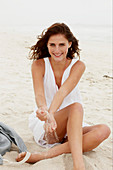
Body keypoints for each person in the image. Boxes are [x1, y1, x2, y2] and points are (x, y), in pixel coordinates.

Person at [16, 23, 111, 170]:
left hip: (72, 122)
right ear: (46, 45)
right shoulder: (39, 65)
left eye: (61, 44)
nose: (57, 50)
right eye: (52, 45)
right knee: (76, 107)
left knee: (104, 130)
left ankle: (42, 156)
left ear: (70, 44)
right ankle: (78, 165)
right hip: (47, 124)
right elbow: (39, 94)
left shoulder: (78, 66)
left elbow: (63, 91)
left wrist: (51, 113)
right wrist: (45, 112)